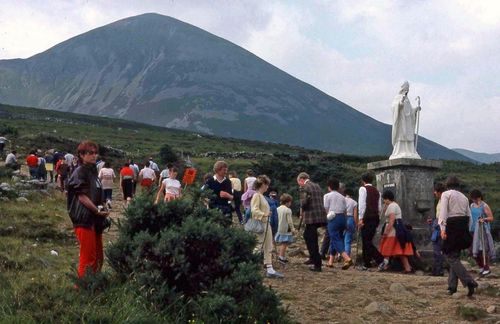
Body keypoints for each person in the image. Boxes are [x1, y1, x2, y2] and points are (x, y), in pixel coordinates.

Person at [67, 140, 109, 279]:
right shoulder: (80, 172)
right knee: (88, 258)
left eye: (96, 153)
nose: (94, 155)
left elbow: (95, 194)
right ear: (81, 154)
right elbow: (82, 196)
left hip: (95, 220)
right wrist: (96, 210)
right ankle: (83, 289)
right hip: (84, 219)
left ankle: (94, 285)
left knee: (98, 257)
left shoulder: (93, 173)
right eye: (90, 153)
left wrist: (103, 206)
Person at [439, 176, 477, 297]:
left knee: (449, 255)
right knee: (454, 256)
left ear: (447, 185)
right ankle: (452, 287)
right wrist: (468, 231)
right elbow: (469, 216)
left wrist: (442, 228)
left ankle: (469, 281)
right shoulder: (464, 197)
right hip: (463, 225)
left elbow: (443, 212)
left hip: (452, 225)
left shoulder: (446, 194)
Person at [251, 175, 283, 278]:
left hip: (266, 224)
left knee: (268, 246)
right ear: (262, 184)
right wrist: (264, 214)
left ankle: (269, 268)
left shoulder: (262, 196)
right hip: (261, 224)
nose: (267, 187)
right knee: (259, 246)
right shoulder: (257, 196)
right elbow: (254, 210)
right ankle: (250, 265)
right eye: (267, 184)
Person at [297, 172, 327, 272]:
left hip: (310, 216)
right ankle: (313, 258)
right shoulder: (317, 186)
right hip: (319, 215)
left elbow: (304, 202)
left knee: (310, 239)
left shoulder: (304, 187)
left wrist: (301, 208)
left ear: (301, 179)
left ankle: (317, 262)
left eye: (298, 182)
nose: (299, 185)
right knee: (309, 236)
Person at [379, 190, 414, 273]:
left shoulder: (392, 206)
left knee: (386, 248)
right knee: (399, 250)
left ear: (387, 199)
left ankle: (385, 265)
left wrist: (386, 232)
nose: (383, 201)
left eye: (384, 199)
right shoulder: (394, 205)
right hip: (396, 229)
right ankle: (407, 268)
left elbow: (391, 221)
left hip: (393, 231)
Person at [324, 178, 353, 270]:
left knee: (335, 238)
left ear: (329, 187)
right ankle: (330, 261)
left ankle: (347, 258)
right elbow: (345, 210)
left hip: (333, 218)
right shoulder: (342, 197)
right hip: (343, 218)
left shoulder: (327, 196)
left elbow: (326, 209)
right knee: (336, 238)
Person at [358, 172, 385, 270]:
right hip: (375, 217)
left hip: (367, 217)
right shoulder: (377, 191)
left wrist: (360, 218)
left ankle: (380, 259)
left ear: (363, 181)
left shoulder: (363, 189)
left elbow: (362, 205)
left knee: (367, 241)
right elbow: (379, 207)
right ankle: (366, 263)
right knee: (367, 240)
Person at [389, 81, 421, 160]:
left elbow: (410, 111)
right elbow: (394, 107)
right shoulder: (398, 97)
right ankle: (400, 151)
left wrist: (415, 109)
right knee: (402, 135)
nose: (407, 90)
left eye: (408, 89)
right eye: (406, 88)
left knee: (408, 135)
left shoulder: (407, 99)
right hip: (401, 121)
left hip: (407, 121)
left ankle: (410, 151)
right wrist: (400, 103)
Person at [469, 189, 495, 277]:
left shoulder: (484, 206)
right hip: (472, 230)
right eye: (473, 199)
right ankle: (481, 267)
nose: (474, 200)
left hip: (482, 230)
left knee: (482, 249)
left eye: (475, 198)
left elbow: (491, 218)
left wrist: (483, 219)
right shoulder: (472, 205)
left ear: (479, 197)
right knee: (472, 250)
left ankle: (486, 268)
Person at [429, 182, 445, 276]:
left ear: (438, 191)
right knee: (437, 248)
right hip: (437, 223)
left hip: (440, 226)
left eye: (435, 191)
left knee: (437, 248)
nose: (434, 193)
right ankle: (438, 269)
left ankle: (439, 270)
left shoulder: (443, 200)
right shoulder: (440, 200)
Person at [275, 193, 295, 265]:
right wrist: (293, 229)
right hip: (286, 229)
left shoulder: (277, 209)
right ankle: (281, 257)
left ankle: (282, 256)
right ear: (287, 202)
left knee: (281, 243)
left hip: (279, 228)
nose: (290, 204)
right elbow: (290, 221)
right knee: (284, 244)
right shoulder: (288, 210)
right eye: (290, 202)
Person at [344, 188, 358, 257]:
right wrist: (356, 224)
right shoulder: (354, 202)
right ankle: (347, 257)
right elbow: (355, 215)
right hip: (350, 219)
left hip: (342, 219)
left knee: (339, 238)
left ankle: (338, 255)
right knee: (348, 240)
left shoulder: (342, 200)